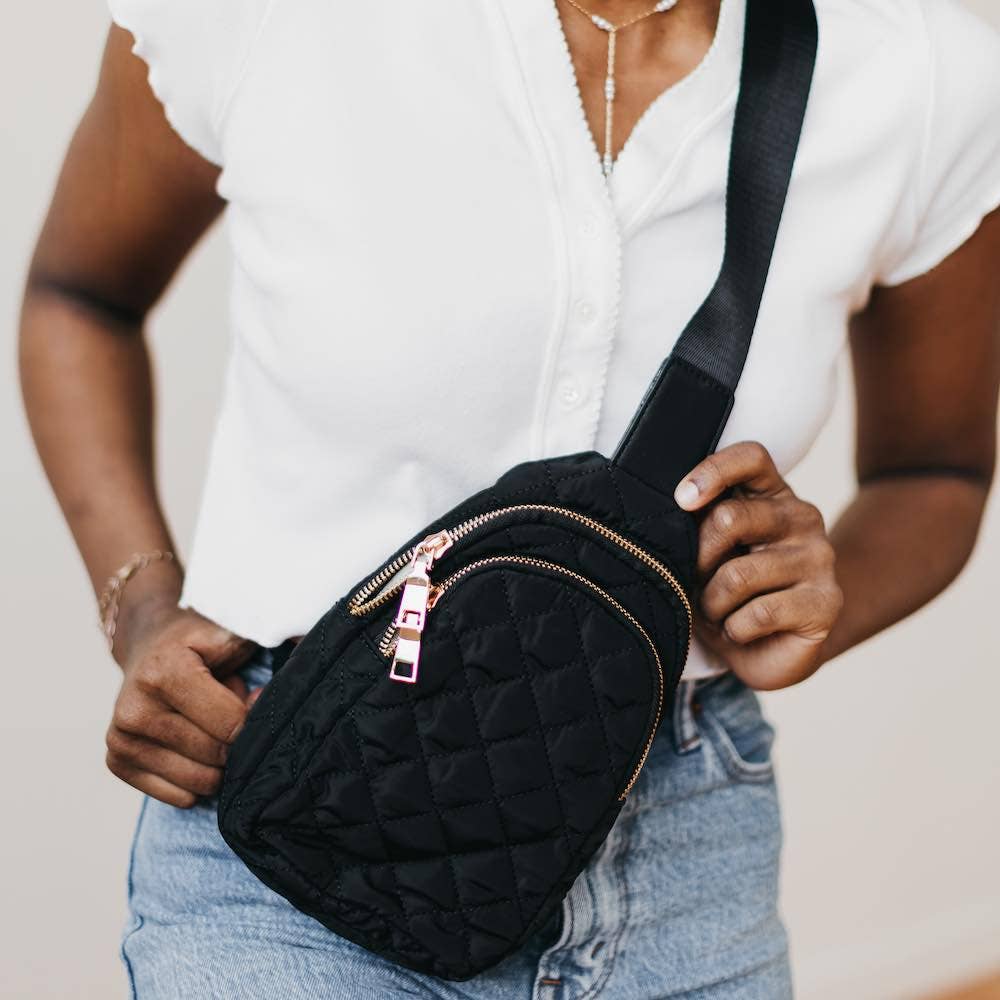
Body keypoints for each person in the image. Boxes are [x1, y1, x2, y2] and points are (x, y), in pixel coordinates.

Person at [18, 0, 1000, 996]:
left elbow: (936, 472)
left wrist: (811, 599)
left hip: (681, 844)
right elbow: (78, 297)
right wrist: (141, 605)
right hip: (297, 792)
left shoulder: (919, 70)